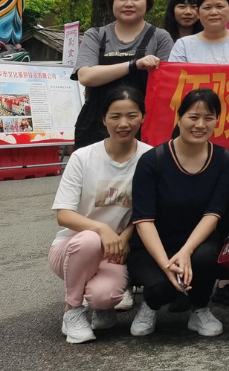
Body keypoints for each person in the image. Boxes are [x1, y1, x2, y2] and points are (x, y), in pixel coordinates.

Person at [129, 88, 229, 338]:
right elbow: (143, 219)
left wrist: (186, 251)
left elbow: (213, 213)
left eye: (208, 118)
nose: (200, 125)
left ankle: (200, 307)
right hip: (154, 245)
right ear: (179, 118)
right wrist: (167, 265)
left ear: (217, 121)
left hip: (197, 242)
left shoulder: (225, 159)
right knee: (163, 286)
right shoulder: (152, 159)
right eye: (193, 117)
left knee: (206, 256)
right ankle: (150, 305)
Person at [50, 85, 151, 344]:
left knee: (105, 296)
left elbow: (149, 211)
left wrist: (125, 236)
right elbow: (64, 214)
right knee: (90, 239)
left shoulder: (150, 157)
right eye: (115, 116)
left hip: (114, 252)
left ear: (142, 116)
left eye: (132, 115)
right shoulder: (83, 157)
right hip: (72, 249)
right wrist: (103, 229)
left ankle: (101, 307)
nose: (124, 123)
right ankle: (72, 310)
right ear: (104, 119)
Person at [72, 0, 173, 150]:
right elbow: (86, 76)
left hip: (142, 126)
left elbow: (166, 88)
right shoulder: (96, 35)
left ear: (148, 2)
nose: (128, 4)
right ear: (112, 2)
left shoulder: (160, 38)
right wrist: (134, 65)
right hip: (96, 124)